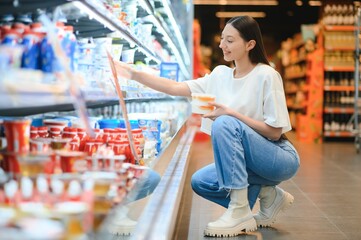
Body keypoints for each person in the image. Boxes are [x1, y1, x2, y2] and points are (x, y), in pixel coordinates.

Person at [114, 15, 300, 237]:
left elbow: (275, 131)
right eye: (222, 39)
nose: (222, 45)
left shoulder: (266, 75)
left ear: (250, 45)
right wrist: (132, 73)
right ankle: (268, 194)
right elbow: (175, 87)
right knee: (201, 181)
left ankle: (239, 210)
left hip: (277, 158)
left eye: (230, 40)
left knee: (225, 122)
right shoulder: (220, 75)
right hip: (250, 162)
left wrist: (231, 114)